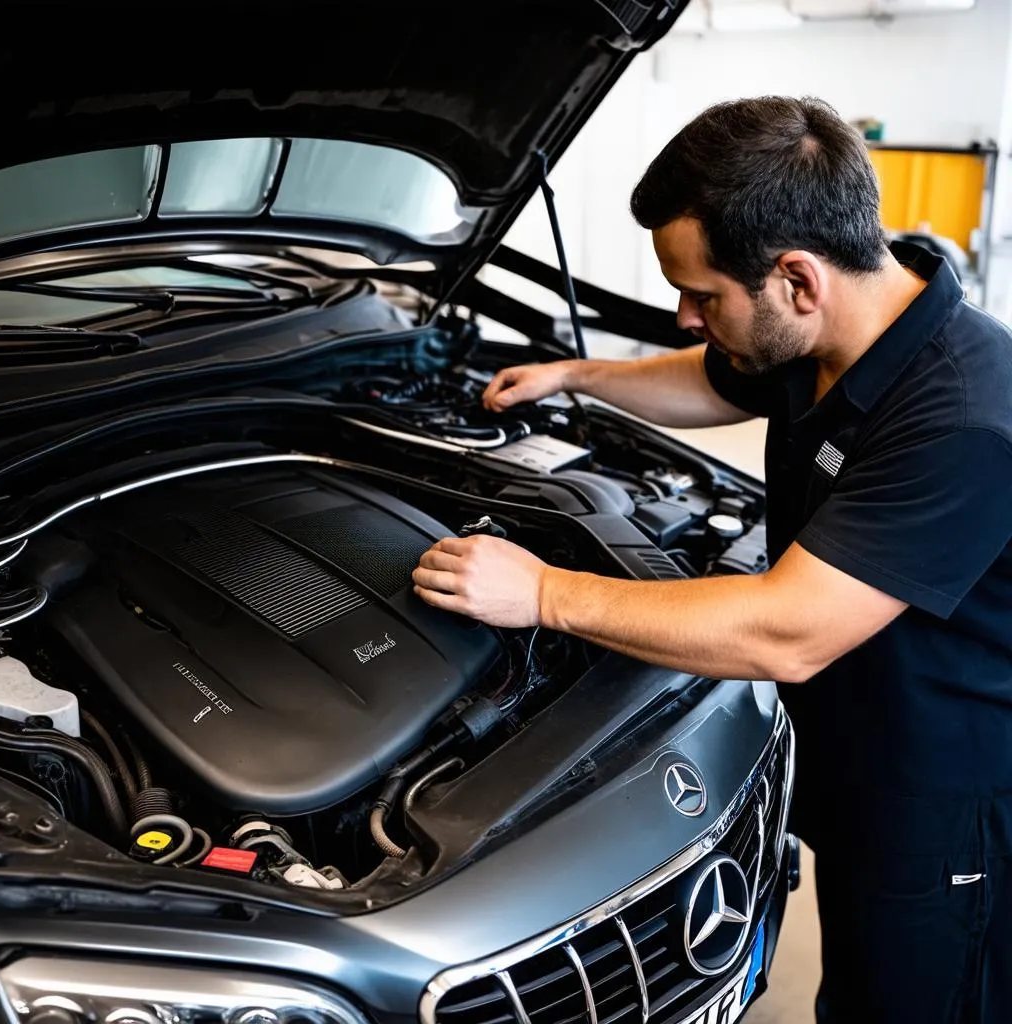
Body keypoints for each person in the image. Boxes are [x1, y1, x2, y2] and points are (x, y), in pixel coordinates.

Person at [412, 96, 1012, 1023]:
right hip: (858, 759)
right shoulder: (832, 326)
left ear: (798, 279)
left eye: (703, 295)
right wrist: (576, 378)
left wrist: (544, 592)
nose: (685, 317)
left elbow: (788, 633)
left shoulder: (962, 418)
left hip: (943, 811)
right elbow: (713, 380)